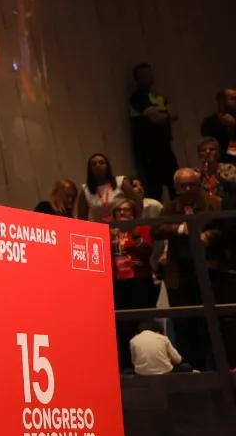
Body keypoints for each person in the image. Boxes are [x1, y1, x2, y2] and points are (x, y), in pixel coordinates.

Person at [158, 168, 229, 371]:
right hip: (181, 274)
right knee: (187, 325)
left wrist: (208, 236)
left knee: (216, 323)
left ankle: (221, 369)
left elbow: (227, 231)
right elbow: (155, 229)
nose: (188, 188)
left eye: (192, 184)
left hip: (210, 271)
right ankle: (192, 368)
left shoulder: (213, 202)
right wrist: (178, 229)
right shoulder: (170, 207)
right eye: (183, 185)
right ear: (176, 188)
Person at [109, 198, 156, 369]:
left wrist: (135, 236)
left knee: (142, 323)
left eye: (127, 210)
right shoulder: (107, 231)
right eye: (119, 210)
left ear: (134, 213)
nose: (123, 213)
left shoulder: (141, 228)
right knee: (121, 326)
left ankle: (145, 363)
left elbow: (147, 251)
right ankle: (124, 365)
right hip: (117, 283)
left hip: (139, 282)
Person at [127, 64, 178, 200]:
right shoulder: (137, 98)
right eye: (144, 75)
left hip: (166, 149)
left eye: (149, 74)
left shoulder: (159, 97)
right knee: (154, 191)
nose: (148, 77)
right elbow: (157, 117)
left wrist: (162, 115)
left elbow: (174, 114)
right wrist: (164, 114)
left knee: (176, 185)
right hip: (148, 153)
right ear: (137, 78)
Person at [77, 153, 123, 221]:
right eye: (94, 164)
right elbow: (82, 219)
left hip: (122, 226)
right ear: (90, 169)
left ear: (107, 166)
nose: (97, 165)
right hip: (98, 229)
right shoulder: (85, 190)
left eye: (101, 163)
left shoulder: (120, 182)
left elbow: (136, 202)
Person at [195, 138, 236, 204]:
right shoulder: (194, 173)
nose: (207, 152)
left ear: (218, 153)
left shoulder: (229, 168)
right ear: (199, 154)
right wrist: (202, 176)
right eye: (203, 150)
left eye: (212, 149)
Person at [199, 88, 236, 161]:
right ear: (222, 102)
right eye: (233, 99)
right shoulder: (209, 123)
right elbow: (211, 147)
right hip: (223, 165)